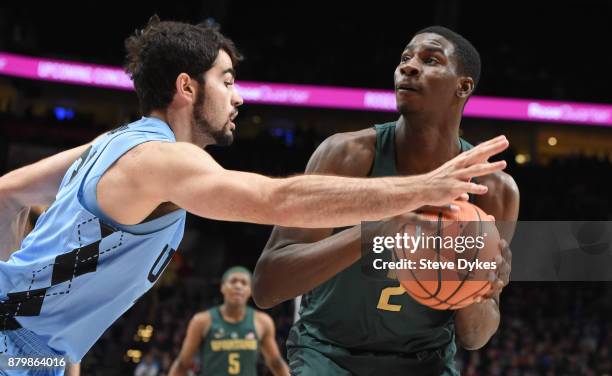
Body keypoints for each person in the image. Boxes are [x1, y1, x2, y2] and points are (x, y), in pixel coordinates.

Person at [0, 16, 508, 375]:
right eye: (226, 81)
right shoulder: (164, 160)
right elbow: (278, 200)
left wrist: (43, 331)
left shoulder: (111, 144)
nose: (238, 96)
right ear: (187, 88)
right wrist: (420, 190)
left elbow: (7, 196)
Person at [254, 26, 520, 376]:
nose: (408, 67)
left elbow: (475, 337)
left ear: (464, 86)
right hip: (328, 354)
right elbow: (268, 286)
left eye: (431, 60)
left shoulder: (493, 190)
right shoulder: (347, 155)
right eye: (405, 58)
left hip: (426, 361)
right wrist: (378, 231)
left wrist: (474, 289)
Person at [170, 267, 289, 376]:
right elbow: (182, 364)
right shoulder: (202, 321)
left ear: (250, 291)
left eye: (244, 283)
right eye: (233, 281)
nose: (238, 286)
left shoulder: (263, 321)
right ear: (222, 287)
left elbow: (275, 362)